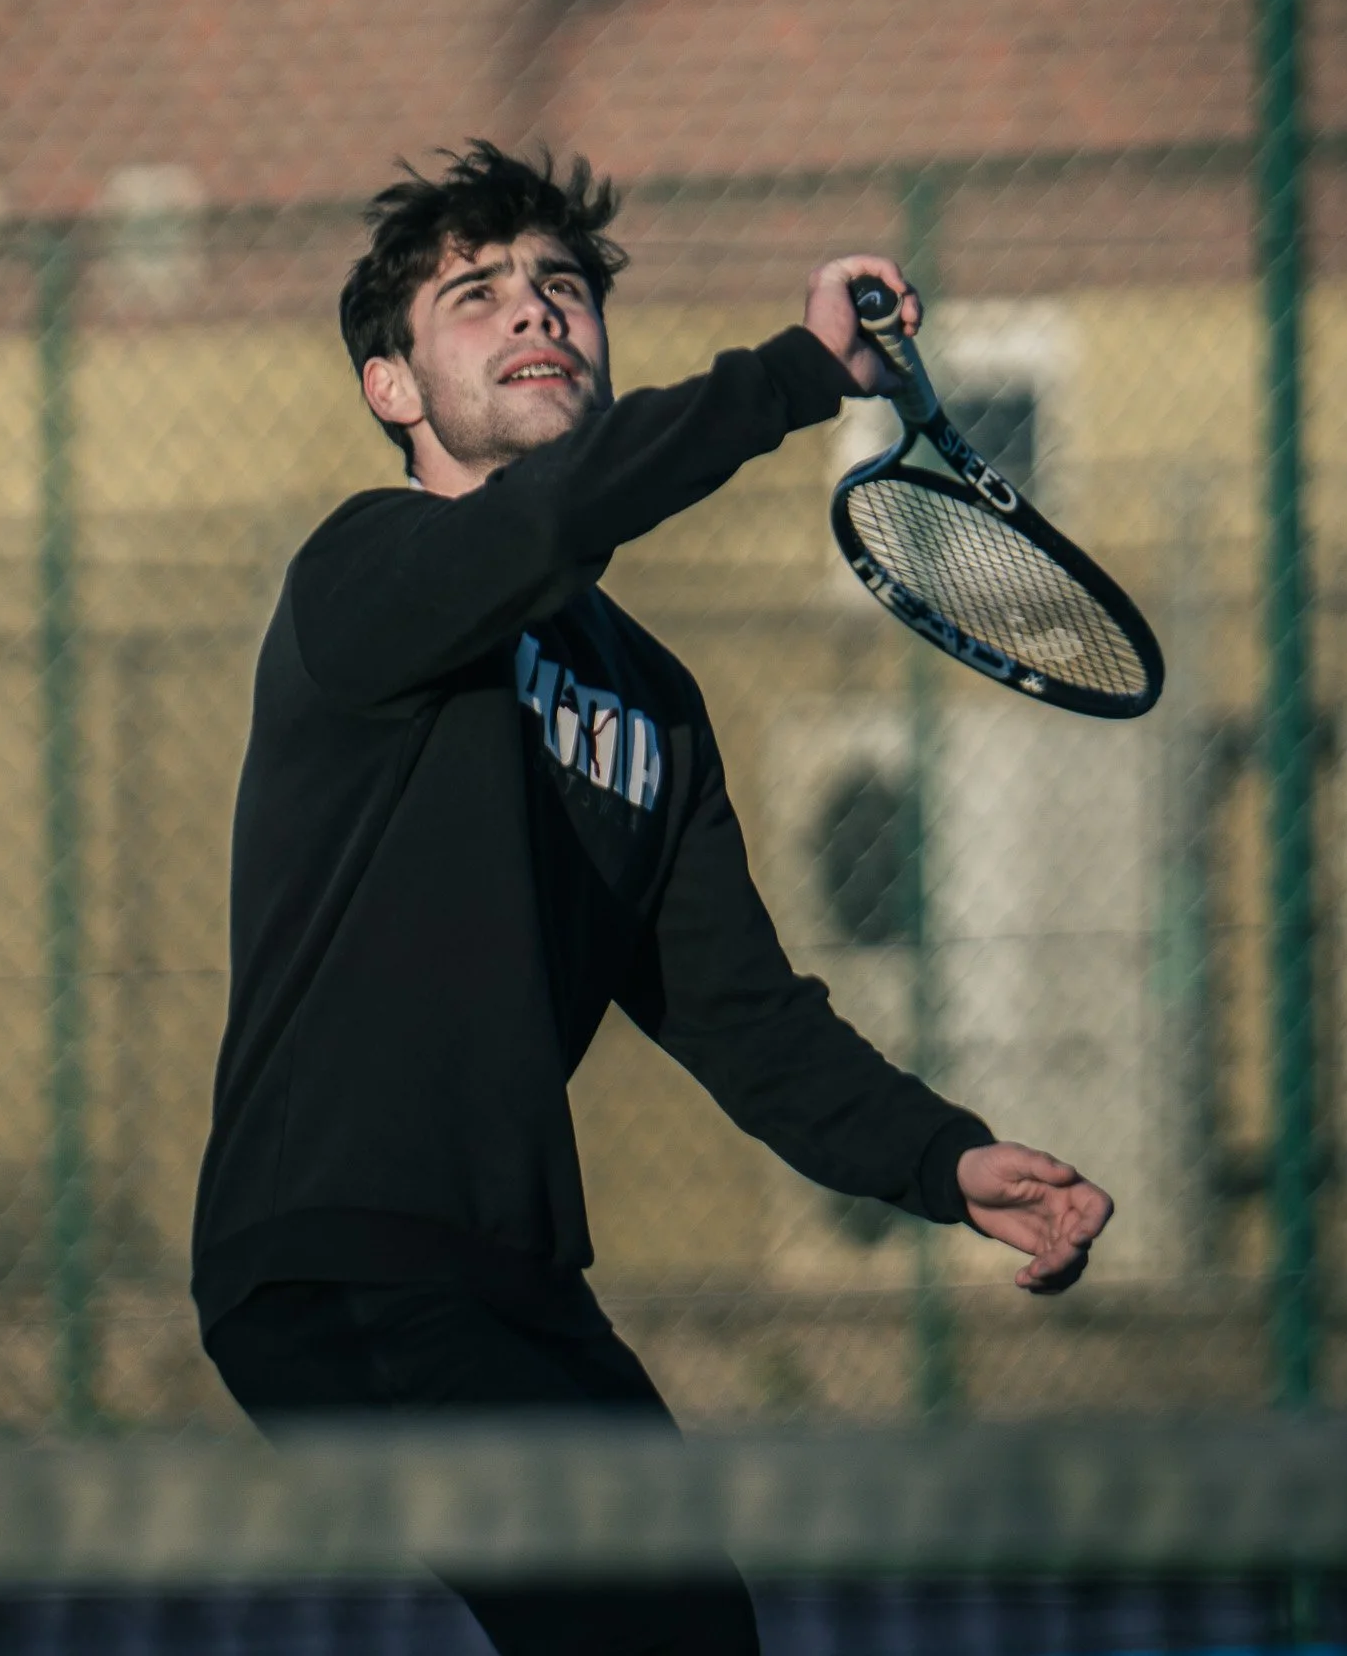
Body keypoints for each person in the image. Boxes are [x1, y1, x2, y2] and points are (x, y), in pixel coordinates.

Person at [192, 142, 1113, 1656]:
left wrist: (944, 1162)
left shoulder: (647, 699)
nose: (535, 315)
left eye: (561, 289)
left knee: (691, 1636)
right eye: (475, 297)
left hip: (520, 1279)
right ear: (393, 390)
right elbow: (547, 525)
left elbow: (741, 1016)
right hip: (336, 1259)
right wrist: (797, 374)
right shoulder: (364, 570)